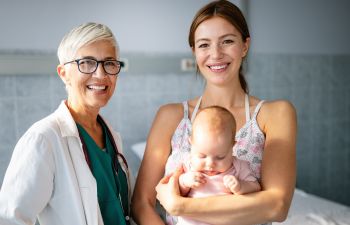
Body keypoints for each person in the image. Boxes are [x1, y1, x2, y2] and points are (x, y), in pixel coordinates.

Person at [132, 0, 297, 225]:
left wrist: (182, 206)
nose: (216, 54)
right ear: (194, 51)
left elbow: (277, 206)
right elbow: (142, 203)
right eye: (204, 45)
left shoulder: (275, 114)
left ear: (245, 46)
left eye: (227, 41)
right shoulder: (171, 116)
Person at [0, 22, 131, 225]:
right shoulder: (43, 139)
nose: (101, 74)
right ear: (63, 73)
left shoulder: (111, 136)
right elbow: (9, 219)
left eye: (109, 63)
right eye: (86, 63)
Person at [177, 106, 261, 225]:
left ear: (232, 146)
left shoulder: (238, 166)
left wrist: (240, 186)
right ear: (191, 143)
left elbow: (255, 187)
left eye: (220, 157)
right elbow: (176, 191)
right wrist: (185, 182)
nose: (210, 164)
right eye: (202, 156)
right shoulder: (189, 165)